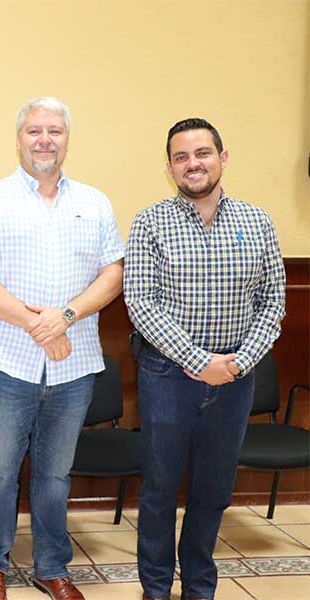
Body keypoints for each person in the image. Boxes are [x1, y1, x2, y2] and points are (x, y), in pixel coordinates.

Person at [0, 97, 124, 600]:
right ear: (19, 139)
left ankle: (52, 567)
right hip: (7, 363)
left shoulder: (95, 202)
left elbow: (113, 275)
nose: (45, 140)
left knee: (55, 474)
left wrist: (65, 317)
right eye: (34, 131)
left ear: (67, 139)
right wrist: (40, 325)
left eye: (55, 131)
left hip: (75, 367)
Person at [125, 118, 285, 600]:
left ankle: (199, 586)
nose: (192, 164)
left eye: (202, 153)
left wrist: (237, 363)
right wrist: (198, 361)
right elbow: (141, 302)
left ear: (222, 157)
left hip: (235, 379)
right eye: (181, 157)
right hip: (166, 376)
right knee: (159, 489)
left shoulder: (257, 222)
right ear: (170, 167)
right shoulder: (150, 222)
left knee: (213, 491)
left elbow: (273, 302)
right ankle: (155, 589)